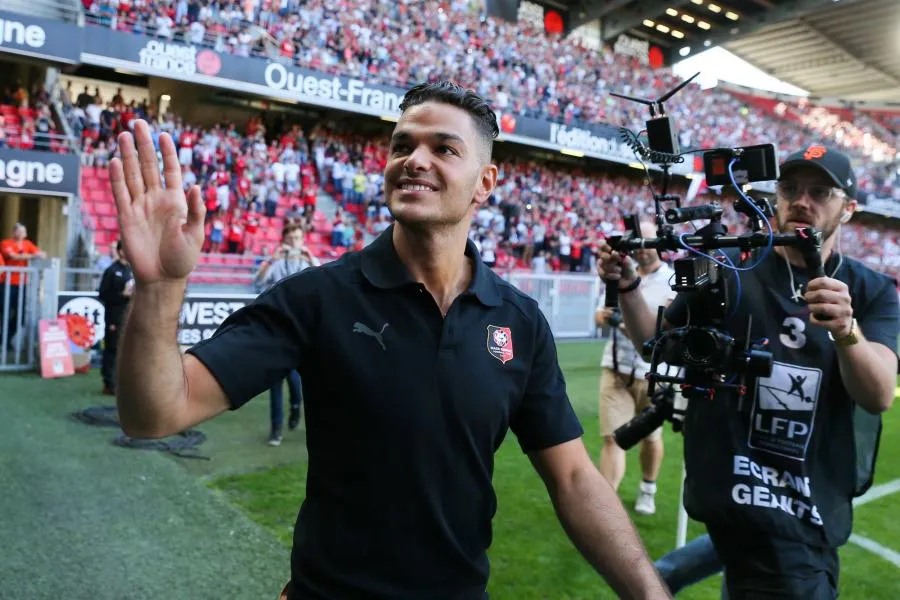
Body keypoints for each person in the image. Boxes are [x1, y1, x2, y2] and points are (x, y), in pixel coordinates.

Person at [109, 82, 671, 600]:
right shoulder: (318, 297)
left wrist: (650, 594)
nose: (414, 161)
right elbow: (153, 413)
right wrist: (159, 286)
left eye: (444, 149)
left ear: (486, 182)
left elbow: (573, 478)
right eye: (403, 145)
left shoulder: (519, 322)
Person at [597, 144, 899, 599]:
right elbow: (655, 345)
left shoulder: (870, 290)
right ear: (774, 197)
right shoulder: (731, 270)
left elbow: (877, 395)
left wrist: (847, 329)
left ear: (849, 209)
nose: (802, 201)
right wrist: (628, 287)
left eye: (820, 192)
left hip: (806, 510)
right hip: (734, 497)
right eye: (790, 189)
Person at [595, 220, 676, 516]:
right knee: (613, 438)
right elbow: (599, 316)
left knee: (651, 439)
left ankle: (648, 487)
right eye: (637, 243)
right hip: (616, 367)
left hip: (652, 375)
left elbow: (656, 336)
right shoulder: (615, 274)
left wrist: (619, 321)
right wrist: (607, 317)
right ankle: (606, 507)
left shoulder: (673, 280)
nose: (642, 250)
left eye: (648, 243)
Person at [254, 222, 319, 446]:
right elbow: (258, 281)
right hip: (276, 329)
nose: (294, 243)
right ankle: (276, 430)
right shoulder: (277, 261)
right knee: (275, 382)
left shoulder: (307, 262)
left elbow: (322, 281)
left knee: (294, 380)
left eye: (298, 238)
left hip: (301, 331)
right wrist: (272, 258)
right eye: (291, 238)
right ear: (284, 240)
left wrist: (309, 257)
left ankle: (295, 407)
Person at [1, 223, 46, 349]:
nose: (22, 234)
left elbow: (42, 254)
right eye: (19, 231)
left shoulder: (27, 244)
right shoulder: (6, 243)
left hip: (22, 284)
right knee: (4, 312)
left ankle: (6, 338)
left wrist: (38, 254)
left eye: (24, 232)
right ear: (14, 232)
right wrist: (33, 255)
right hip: (6, 283)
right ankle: (4, 341)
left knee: (21, 316)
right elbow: (13, 256)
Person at [97, 240, 133, 394]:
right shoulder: (111, 271)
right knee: (112, 348)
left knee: (127, 350)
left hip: (130, 315)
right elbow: (103, 295)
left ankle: (122, 382)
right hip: (114, 315)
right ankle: (109, 383)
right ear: (119, 251)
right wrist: (122, 295)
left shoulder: (132, 270)